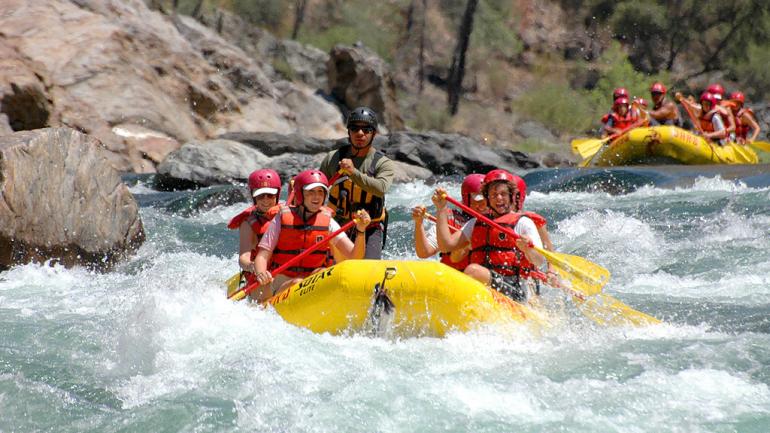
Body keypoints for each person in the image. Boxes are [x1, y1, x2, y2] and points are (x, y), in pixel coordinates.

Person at [252, 169, 371, 301]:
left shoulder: (328, 222)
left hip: (313, 282)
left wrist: (361, 231)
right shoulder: (282, 218)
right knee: (297, 283)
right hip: (283, 282)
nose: (317, 197)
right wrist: (261, 274)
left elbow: (354, 256)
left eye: (321, 192)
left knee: (322, 273)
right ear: (300, 194)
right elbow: (262, 256)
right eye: (311, 192)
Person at [433, 169, 546, 302]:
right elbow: (446, 246)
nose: (499, 198)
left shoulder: (523, 223)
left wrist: (528, 249)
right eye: (494, 194)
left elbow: (539, 261)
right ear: (487, 198)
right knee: (470, 272)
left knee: (473, 271)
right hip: (487, 284)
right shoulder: (476, 223)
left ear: (511, 196)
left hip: (515, 288)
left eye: (503, 194)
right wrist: (441, 209)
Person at [319, 107, 396, 259]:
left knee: (368, 269)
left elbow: (381, 188)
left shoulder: (383, 163)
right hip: (337, 225)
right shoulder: (333, 158)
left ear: (373, 133)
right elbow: (318, 189)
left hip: (370, 227)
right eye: (355, 128)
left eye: (366, 129)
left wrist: (353, 172)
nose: (360, 133)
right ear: (349, 132)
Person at [412, 173, 486, 271]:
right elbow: (424, 252)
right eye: (479, 200)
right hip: (454, 276)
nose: (484, 204)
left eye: (486, 199)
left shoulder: (495, 220)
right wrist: (418, 223)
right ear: (466, 199)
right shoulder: (448, 220)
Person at [227, 169, 282, 290]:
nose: (266, 200)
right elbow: (243, 258)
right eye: (261, 195)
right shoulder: (248, 224)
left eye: (270, 195)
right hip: (261, 275)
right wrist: (253, 267)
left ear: (277, 195)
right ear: (254, 196)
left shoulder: (286, 214)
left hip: (284, 270)